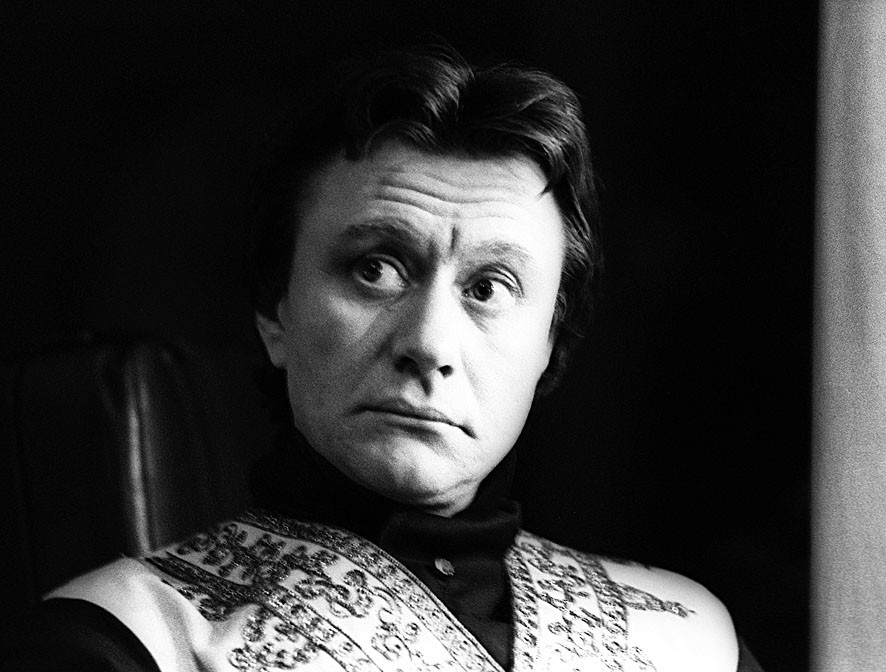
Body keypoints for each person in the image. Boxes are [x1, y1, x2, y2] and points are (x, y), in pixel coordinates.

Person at [6, 47, 764, 671]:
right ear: (275, 311)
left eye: (489, 288)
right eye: (376, 269)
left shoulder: (691, 640)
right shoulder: (126, 642)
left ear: (549, 345)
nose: (428, 344)